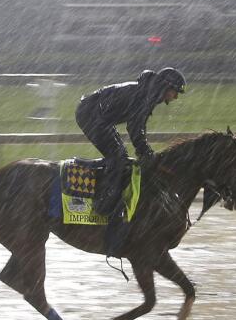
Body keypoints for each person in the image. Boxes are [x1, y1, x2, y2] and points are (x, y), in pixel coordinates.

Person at [75, 67, 186, 256]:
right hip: (90, 115)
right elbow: (135, 127)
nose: (175, 97)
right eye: (175, 92)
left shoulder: (147, 93)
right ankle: (105, 201)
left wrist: (145, 151)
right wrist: (145, 152)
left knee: (121, 157)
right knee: (118, 158)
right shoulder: (145, 96)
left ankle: (108, 191)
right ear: (166, 86)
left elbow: (137, 127)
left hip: (97, 116)